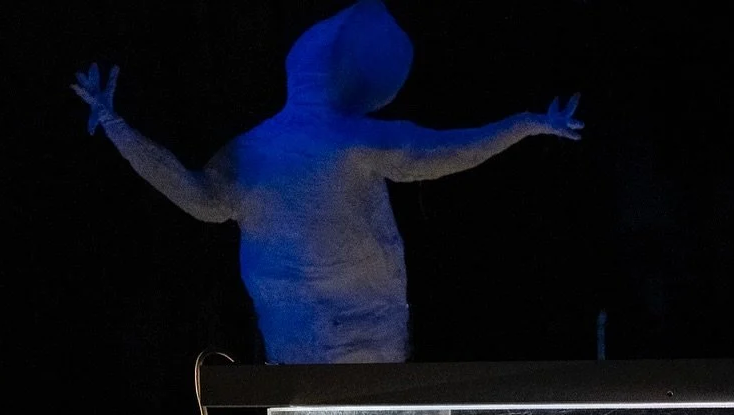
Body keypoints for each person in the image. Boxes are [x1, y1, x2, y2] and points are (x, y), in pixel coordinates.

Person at [72, 1, 581, 363]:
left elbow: (195, 195)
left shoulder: (291, 146)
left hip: (357, 335)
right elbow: (447, 151)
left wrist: (528, 124)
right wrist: (527, 124)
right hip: (310, 339)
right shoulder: (292, 147)